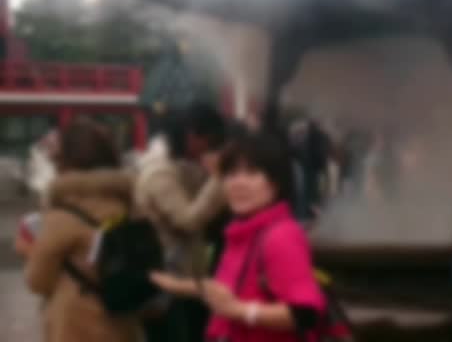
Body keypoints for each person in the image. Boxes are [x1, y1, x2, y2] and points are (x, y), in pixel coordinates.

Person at [150, 133, 326, 342]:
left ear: (275, 183)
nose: (238, 183)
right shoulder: (244, 233)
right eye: (231, 174)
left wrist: (240, 310)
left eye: (252, 173)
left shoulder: (280, 236)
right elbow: (224, 291)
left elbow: (305, 313)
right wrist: (172, 284)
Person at [25, 119, 141, 342]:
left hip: (75, 328)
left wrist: (30, 250)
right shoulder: (131, 206)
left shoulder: (62, 216)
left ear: (65, 162)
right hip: (123, 324)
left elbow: (37, 281)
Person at [136, 103, 229, 341]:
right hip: (168, 280)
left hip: (186, 274)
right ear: (192, 135)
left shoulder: (180, 164)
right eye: (209, 140)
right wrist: (219, 177)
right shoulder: (159, 171)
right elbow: (188, 220)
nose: (209, 148)